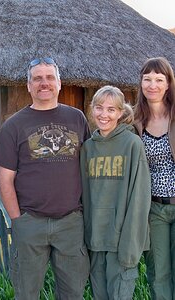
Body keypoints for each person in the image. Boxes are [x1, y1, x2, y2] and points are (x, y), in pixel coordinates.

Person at [0, 57, 90, 300]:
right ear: (28, 86)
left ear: (59, 83)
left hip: (71, 223)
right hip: (30, 222)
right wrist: (19, 221)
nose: (43, 83)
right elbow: (5, 179)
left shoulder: (77, 119)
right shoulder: (14, 125)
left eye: (49, 78)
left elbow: (88, 166)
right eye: (37, 78)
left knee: (73, 293)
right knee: (26, 293)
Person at [80, 85, 151, 299]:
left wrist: (131, 246)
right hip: (94, 241)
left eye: (111, 109)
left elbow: (139, 198)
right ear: (92, 109)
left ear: (121, 113)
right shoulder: (87, 148)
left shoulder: (132, 144)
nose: (104, 114)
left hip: (121, 242)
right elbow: (84, 196)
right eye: (99, 108)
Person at [134, 57, 175, 299]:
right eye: (147, 79)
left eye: (159, 79)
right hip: (154, 209)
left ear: (168, 84)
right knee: (158, 272)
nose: (153, 85)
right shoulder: (135, 121)